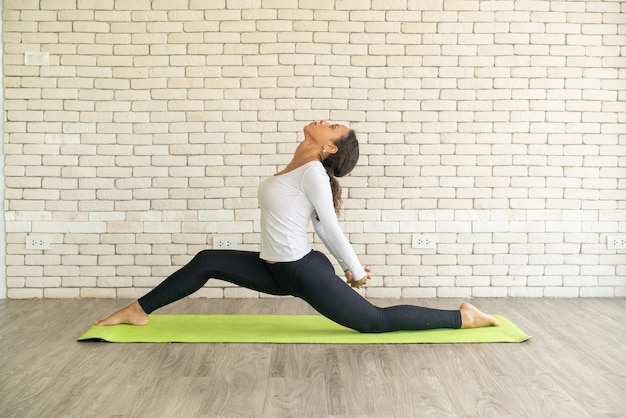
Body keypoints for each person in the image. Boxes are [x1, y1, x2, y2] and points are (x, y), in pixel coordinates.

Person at [96, 120, 500, 332]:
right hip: (277, 268)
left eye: (333, 126)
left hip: (299, 271)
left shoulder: (313, 174)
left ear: (330, 147)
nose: (324, 120)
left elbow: (331, 228)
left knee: (372, 323)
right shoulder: (298, 169)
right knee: (206, 260)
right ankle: (138, 310)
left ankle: (462, 316)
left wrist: (355, 271)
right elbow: (320, 226)